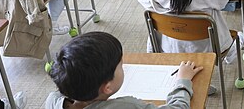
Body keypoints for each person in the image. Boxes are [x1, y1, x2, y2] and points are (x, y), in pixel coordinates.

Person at [46, 32, 202, 109]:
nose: (124, 66)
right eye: (120, 66)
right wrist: (183, 81)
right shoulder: (126, 106)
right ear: (107, 87)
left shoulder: (53, 100)